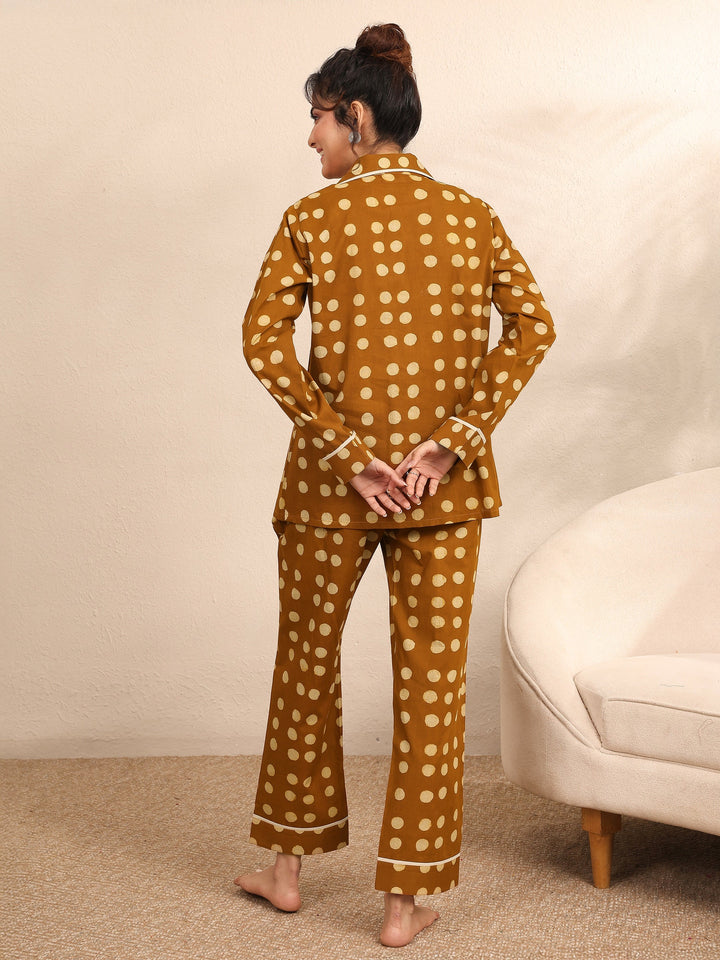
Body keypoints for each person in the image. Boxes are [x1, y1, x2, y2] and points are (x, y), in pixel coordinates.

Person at [235, 22, 555, 948]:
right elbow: (533, 326)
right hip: (441, 494)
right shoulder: (472, 215)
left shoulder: (311, 219)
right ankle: (404, 907)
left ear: (357, 116)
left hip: (329, 492)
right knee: (432, 688)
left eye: (318, 118)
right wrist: (451, 442)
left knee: (305, 667)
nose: (311, 138)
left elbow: (262, 344)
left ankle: (285, 873)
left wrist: (346, 451)